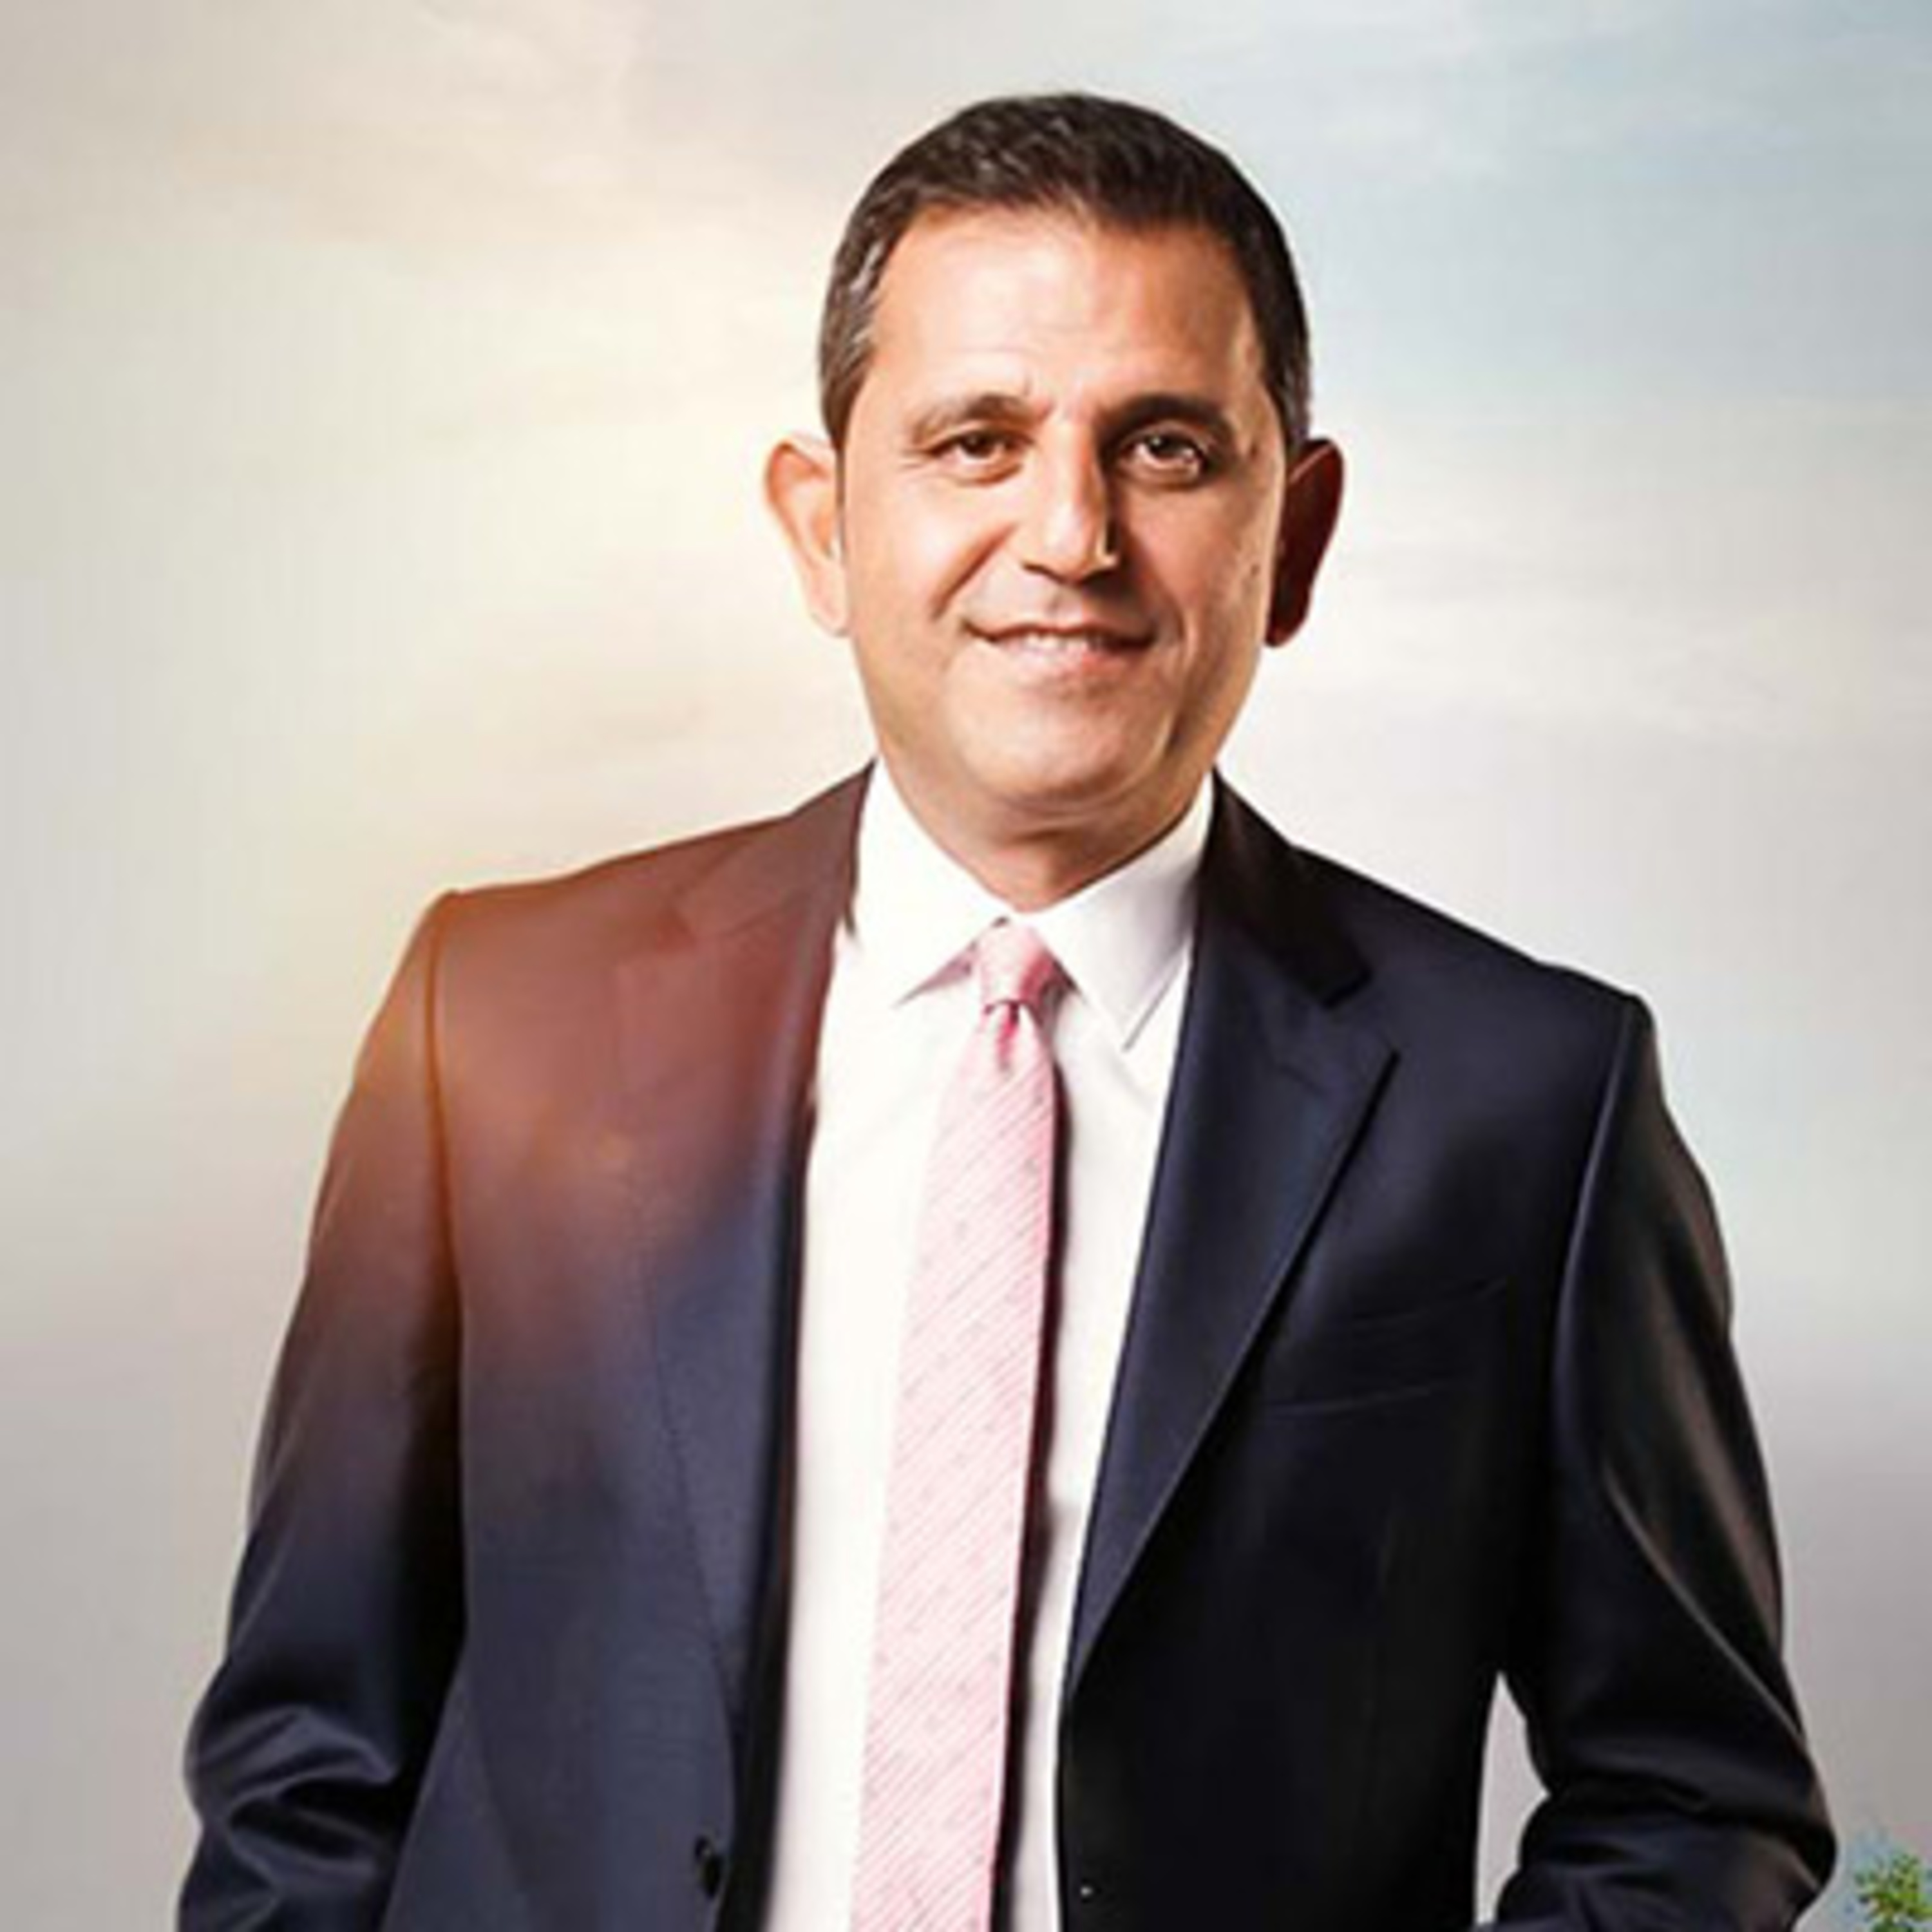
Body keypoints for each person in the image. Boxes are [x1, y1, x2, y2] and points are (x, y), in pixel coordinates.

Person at [182, 92, 1833, 1930]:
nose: (1070, 534)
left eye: (1167, 450)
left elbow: (1694, 1802)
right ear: (823, 525)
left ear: (1294, 533)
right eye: (976, 442)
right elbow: (310, 1765)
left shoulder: (1527, 1106)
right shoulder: (493, 1022)